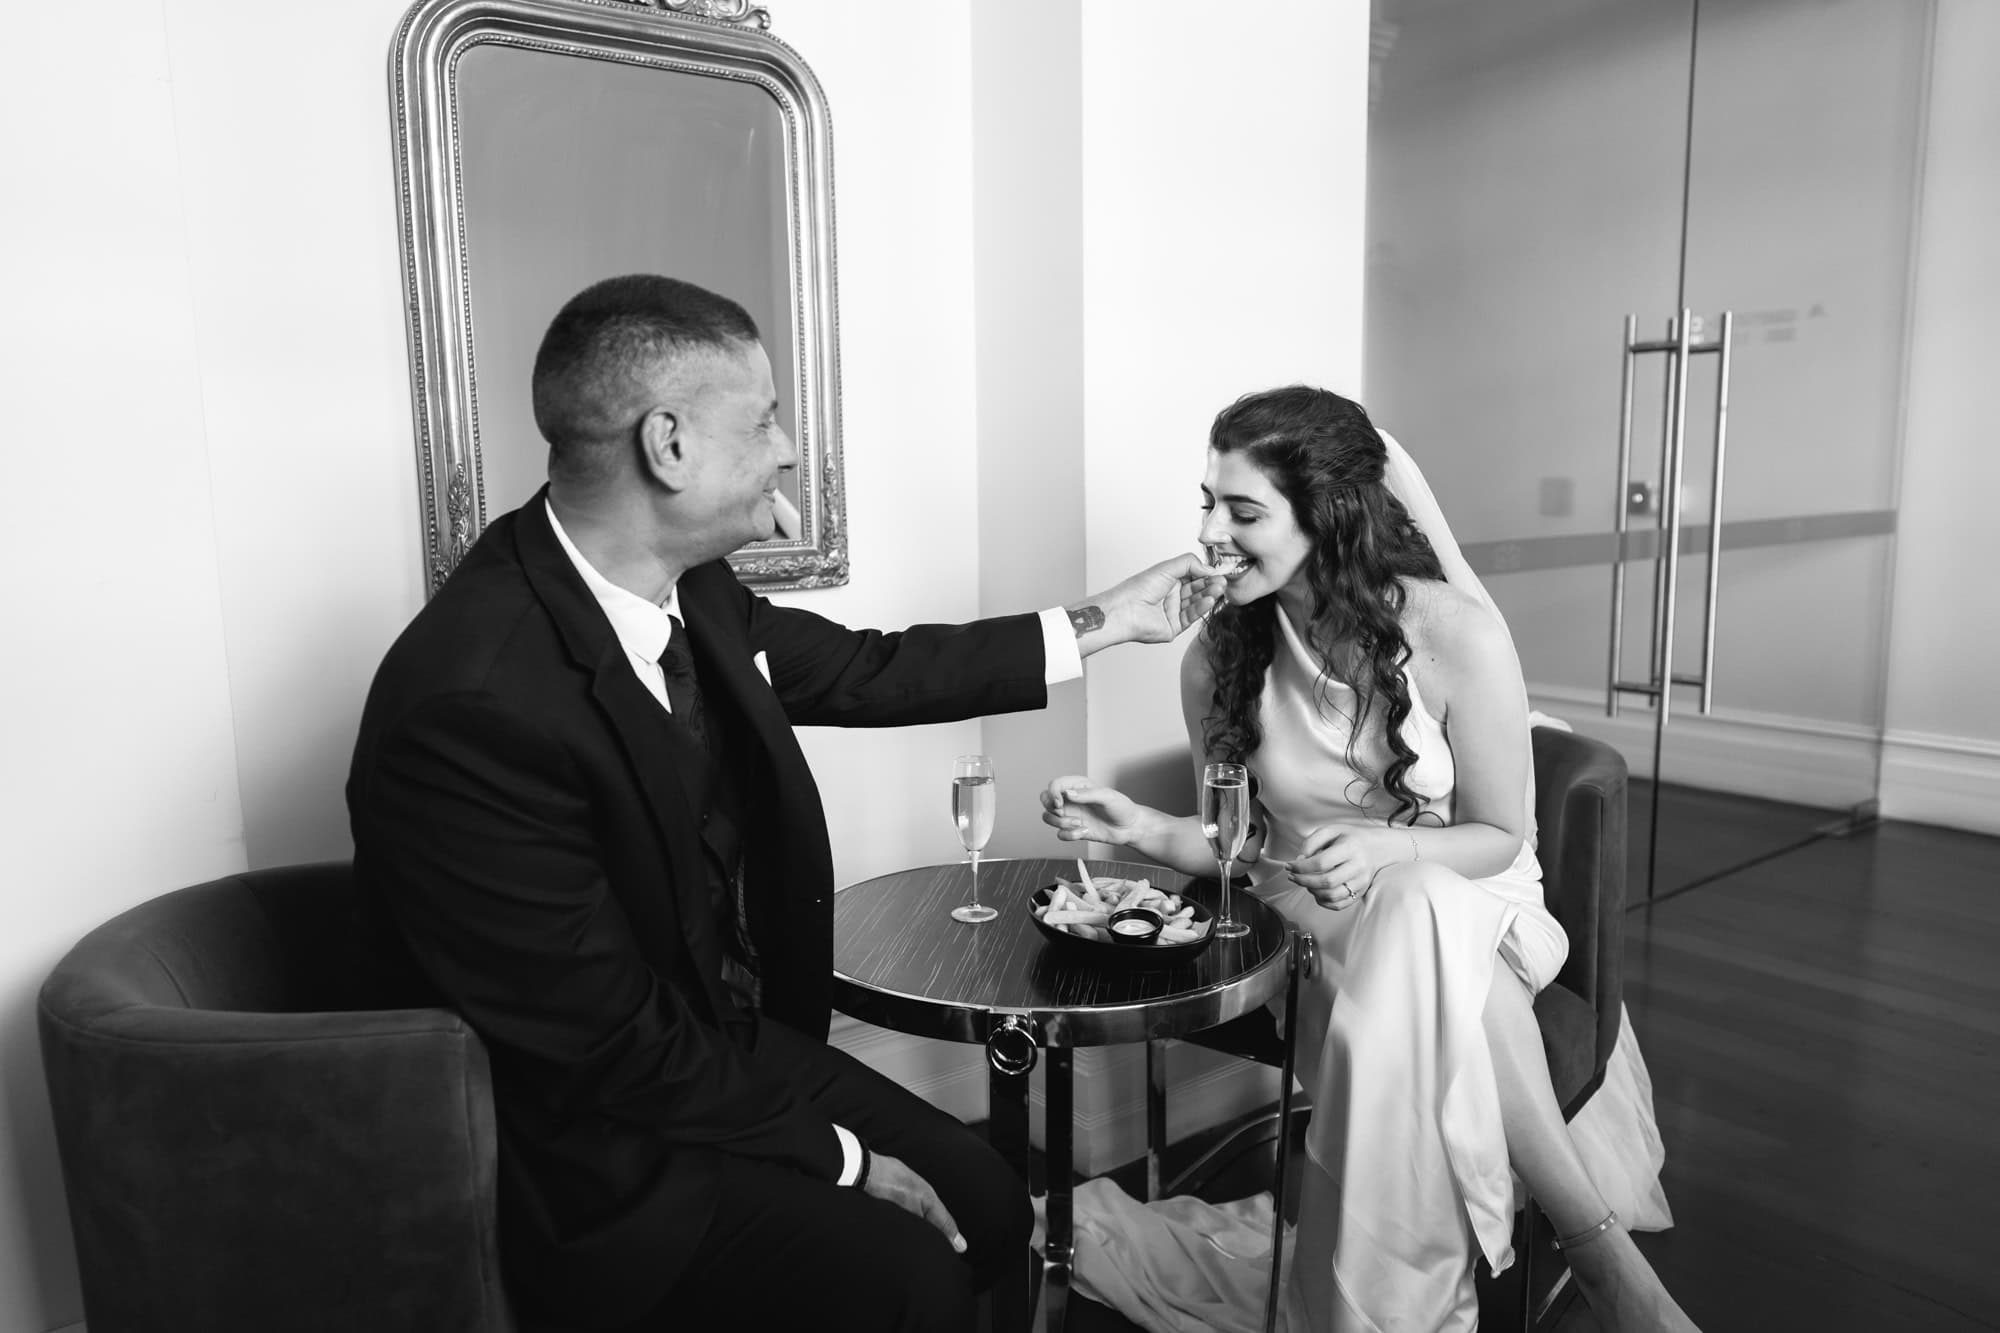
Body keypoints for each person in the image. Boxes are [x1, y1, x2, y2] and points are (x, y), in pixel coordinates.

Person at [346, 274, 1222, 1332]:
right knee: (910, 1270)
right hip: (589, 1148)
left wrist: (1106, 618)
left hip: (718, 1052)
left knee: (988, 1199)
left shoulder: (691, 589)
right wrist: (847, 1163)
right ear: (667, 444)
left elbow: (867, 669)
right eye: (763, 419)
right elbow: (606, 1044)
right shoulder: (470, 701)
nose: (789, 448)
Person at [1040, 386, 1696, 1333]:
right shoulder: (1216, 654)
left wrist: (1392, 846)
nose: (1211, 534)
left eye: (1243, 510)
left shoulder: (1453, 633)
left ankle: (1424, 1294)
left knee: (1424, 901)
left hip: (1476, 888)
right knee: (1415, 926)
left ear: (1328, 516)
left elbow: (1502, 833)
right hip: (1310, 910)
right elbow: (1237, 845)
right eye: (1208, 502)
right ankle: (1594, 1248)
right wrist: (1138, 824)